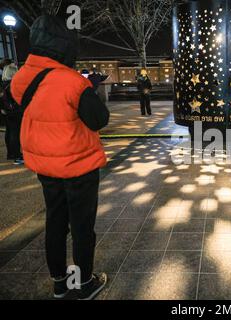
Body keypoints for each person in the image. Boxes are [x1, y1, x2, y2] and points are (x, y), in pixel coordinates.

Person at [10, 15, 110, 300]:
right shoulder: (72, 81)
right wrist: (89, 88)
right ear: (65, 46)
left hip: (45, 165)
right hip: (77, 165)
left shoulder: (21, 78)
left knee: (55, 221)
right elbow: (98, 120)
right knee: (81, 227)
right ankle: (85, 283)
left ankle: (59, 281)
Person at [1, 58, 23, 165]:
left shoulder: (3, 83)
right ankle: (17, 156)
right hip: (14, 111)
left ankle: (11, 154)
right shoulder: (12, 84)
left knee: (9, 132)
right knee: (15, 133)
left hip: (6, 111)